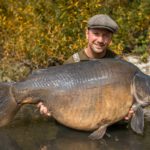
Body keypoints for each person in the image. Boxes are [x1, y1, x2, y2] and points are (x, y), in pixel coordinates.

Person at [37, 14, 134, 120]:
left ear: (111, 39)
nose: (100, 40)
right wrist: (46, 104)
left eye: (105, 35)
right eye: (96, 34)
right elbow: (55, 92)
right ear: (87, 34)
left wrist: (130, 111)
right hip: (77, 118)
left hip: (107, 120)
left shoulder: (119, 65)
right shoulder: (73, 62)